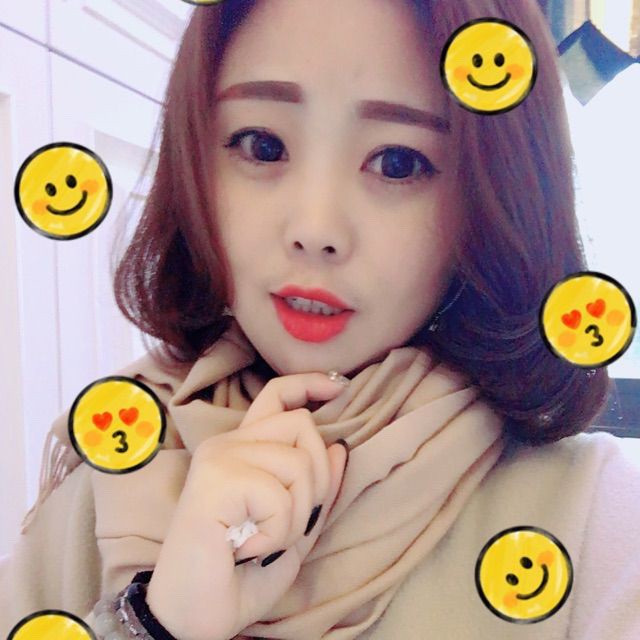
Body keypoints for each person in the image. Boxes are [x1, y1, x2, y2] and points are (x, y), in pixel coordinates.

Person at [2, 0, 639, 639]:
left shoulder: (594, 521)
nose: (315, 229)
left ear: (489, 196)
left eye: (398, 162)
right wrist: (155, 624)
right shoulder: (113, 469)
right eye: (263, 146)